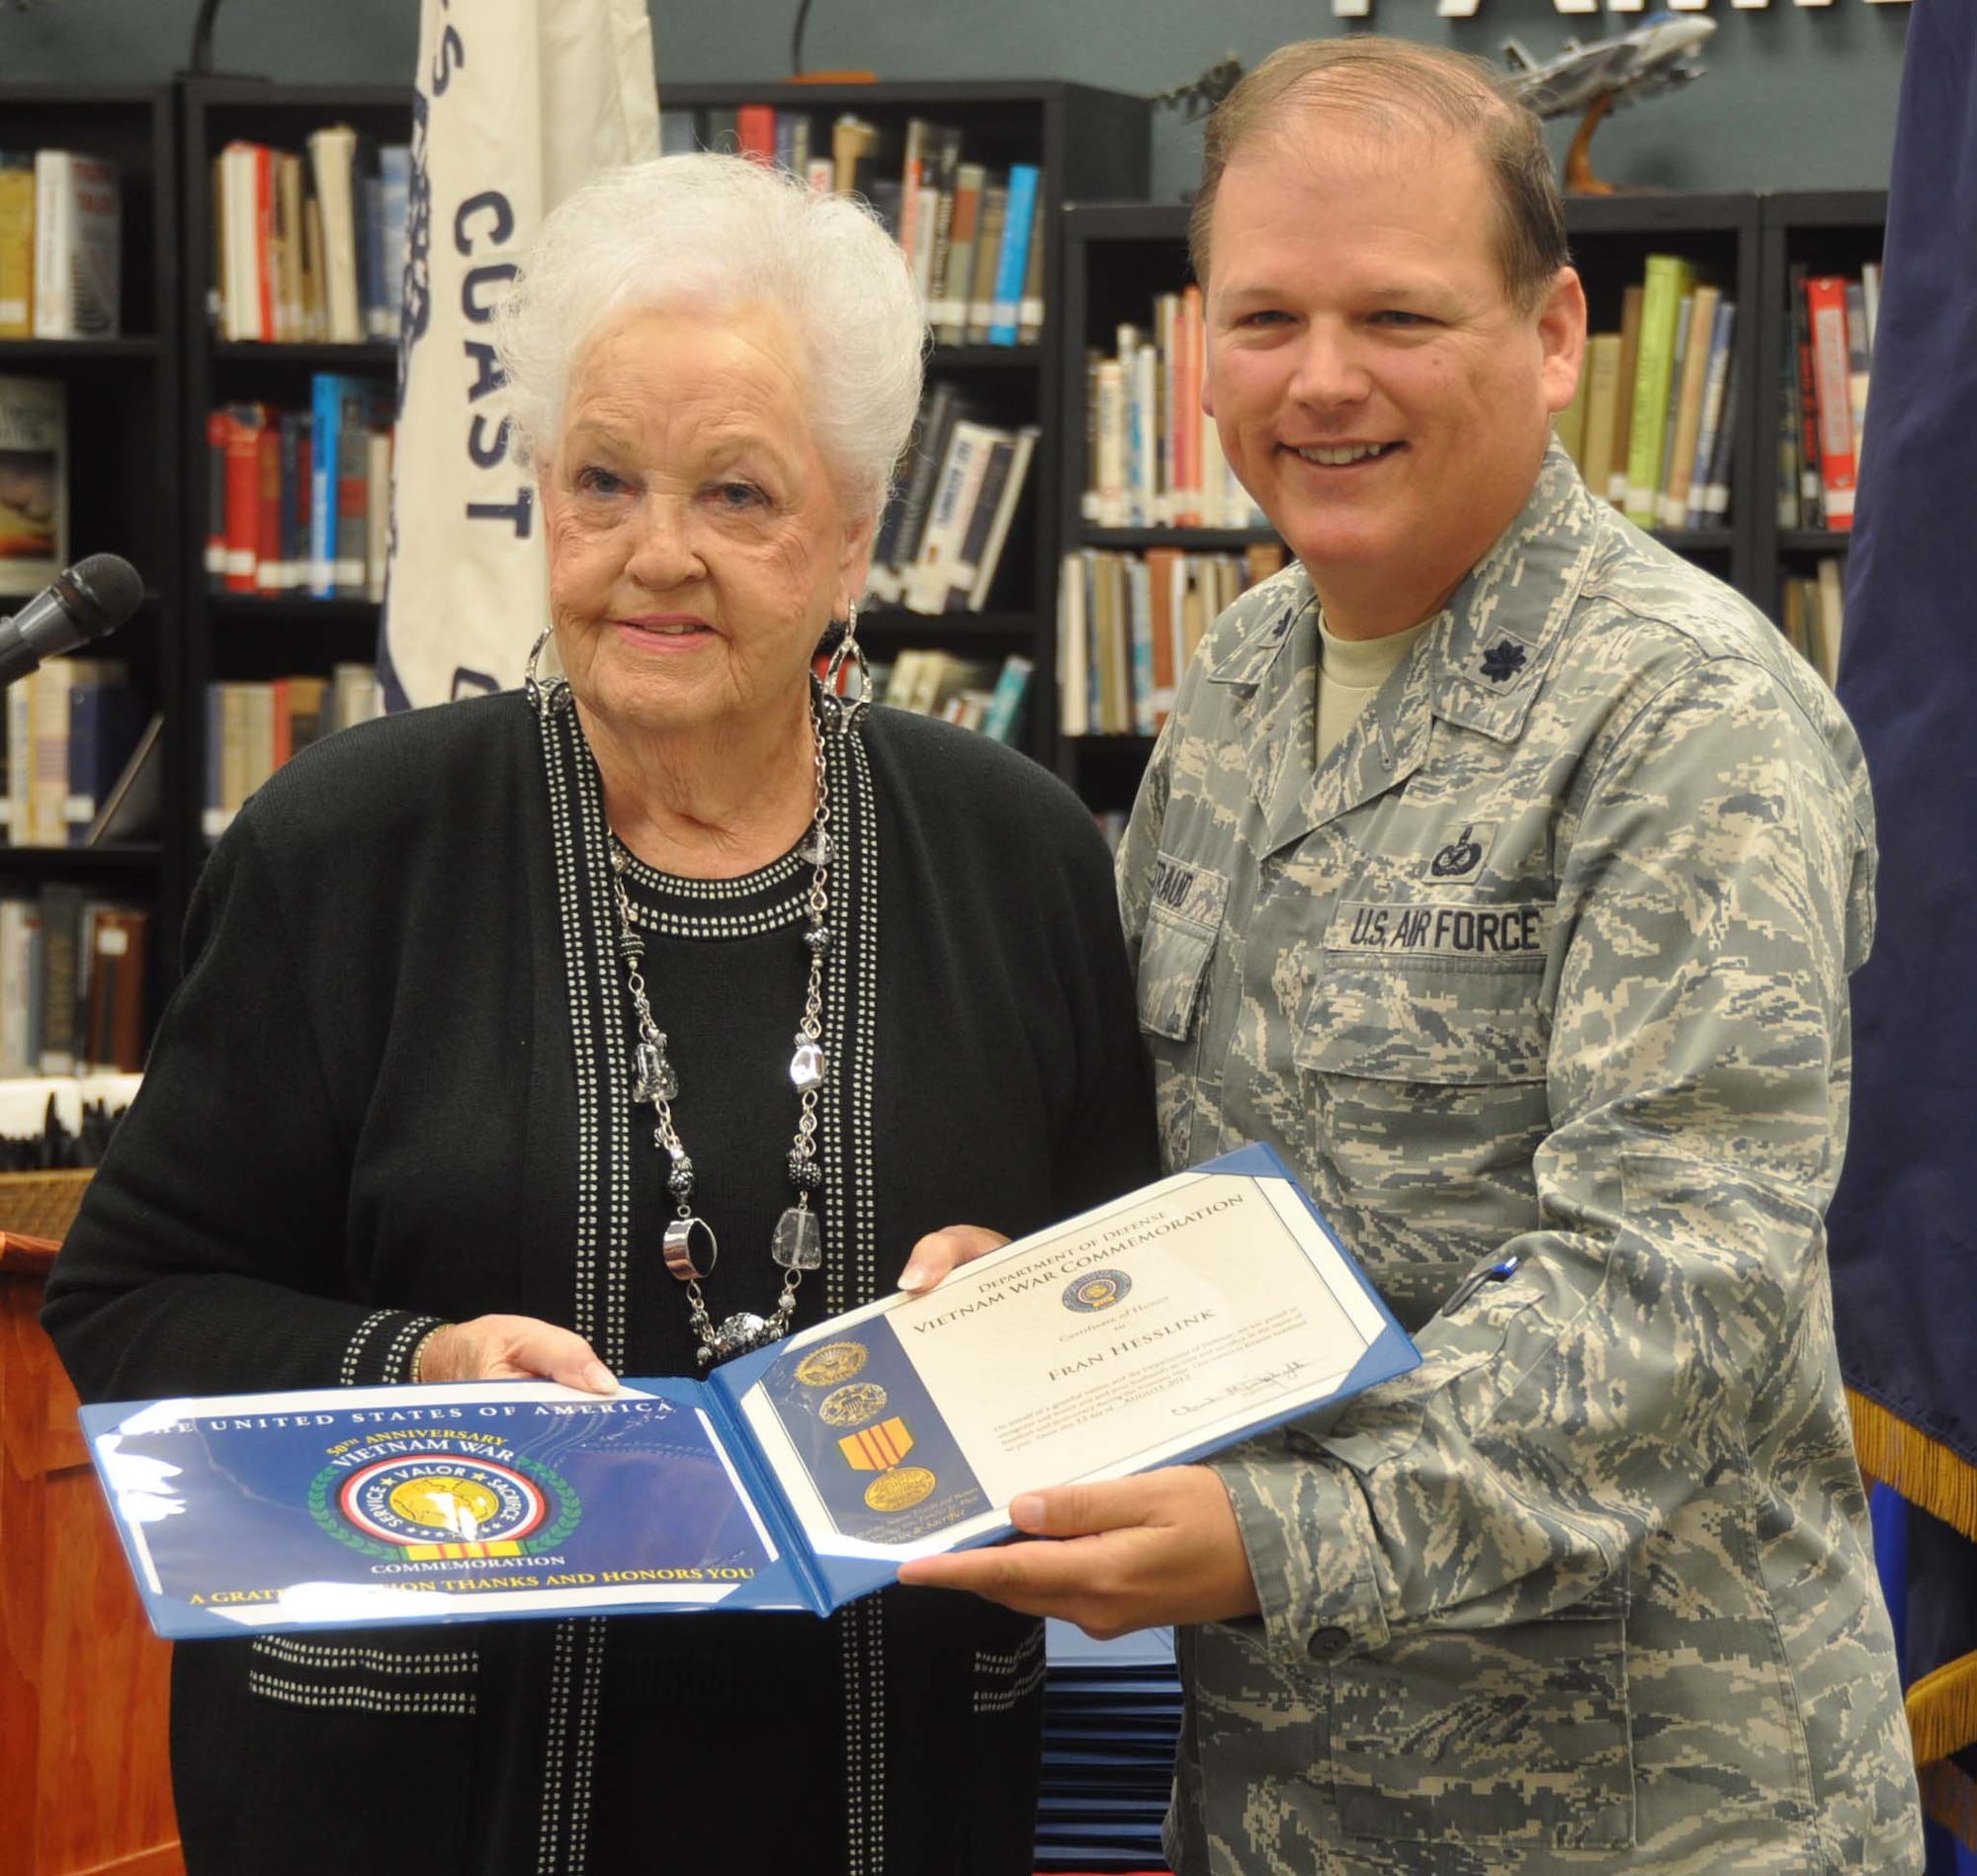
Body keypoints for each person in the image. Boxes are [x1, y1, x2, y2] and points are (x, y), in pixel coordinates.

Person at [43, 153, 1158, 1876]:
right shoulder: (345, 848)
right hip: (415, 1795)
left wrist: (1016, 1317)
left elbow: (1120, 1297)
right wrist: (421, 1365)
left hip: (893, 1775)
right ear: (541, 499)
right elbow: (132, 1301)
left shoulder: (1013, 854)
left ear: (856, 535)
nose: (657, 556)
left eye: (737, 495)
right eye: (604, 481)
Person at [901, 39, 1926, 1874]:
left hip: (1637, 1804)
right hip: (1281, 1794)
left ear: (1553, 338)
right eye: (1268, 316)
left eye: (1398, 314)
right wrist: (1047, 1297)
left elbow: (1664, 1296)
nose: (1324, 381)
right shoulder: (1237, 674)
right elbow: (1231, 1179)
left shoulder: (1687, 725)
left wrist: (1267, 1534)